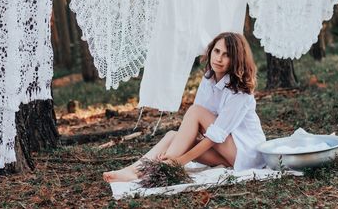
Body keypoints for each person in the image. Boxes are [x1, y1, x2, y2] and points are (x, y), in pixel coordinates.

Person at [103, 32, 266, 183]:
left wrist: (180, 160)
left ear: (236, 59)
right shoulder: (209, 79)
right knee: (172, 136)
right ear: (210, 51)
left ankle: (166, 167)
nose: (219, 58)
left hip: (245, 154)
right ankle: (135, 170)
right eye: (216, 51)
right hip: (225, 153)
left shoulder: (241, 92)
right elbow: (196, 128)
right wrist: (180, 150)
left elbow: (216, 134)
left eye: (226, 55)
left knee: (195, 113)